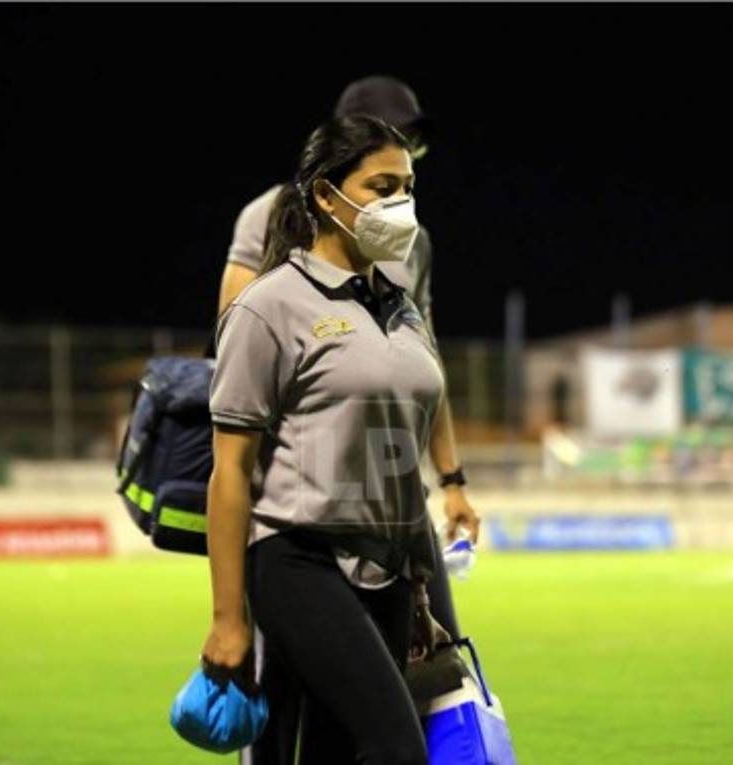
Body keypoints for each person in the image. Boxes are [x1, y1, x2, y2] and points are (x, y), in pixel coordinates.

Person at [202, 115, 452, 765]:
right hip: (299, 559)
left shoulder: (403, 306)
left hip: (393, 566)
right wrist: (229, 618)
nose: (401, 203)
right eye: (381, 186)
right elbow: (230, 473)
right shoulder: (269, 307)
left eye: (408, 185)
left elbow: (410, 439)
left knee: (336, 755)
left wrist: (423, 574)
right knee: (398, 747)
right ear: (323, 195)